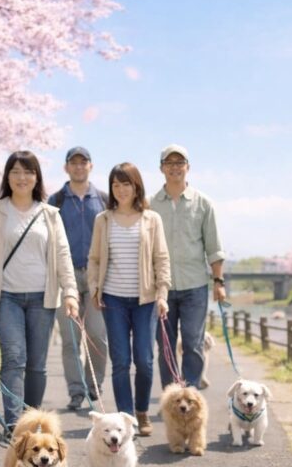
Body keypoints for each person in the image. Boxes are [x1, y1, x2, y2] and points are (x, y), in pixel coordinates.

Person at [0, 151, 79, 431]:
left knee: (36, 364)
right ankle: (14, 425)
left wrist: (70, 292)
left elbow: (63, 254)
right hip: (6, 296)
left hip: (43, 297)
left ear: (37, 177)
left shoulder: (49, 214)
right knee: (14, 357)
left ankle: (32, 425)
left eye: (28, 172)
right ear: (7, 177)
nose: (22, 177)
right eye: (16, 171)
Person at [87, 163, 170, 436]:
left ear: (136, 187)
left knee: (144, 360)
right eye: (116, 185)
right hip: (113, 300)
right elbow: (94, 259)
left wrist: (162, 294)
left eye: (126, 184)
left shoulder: (151, 219)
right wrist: (95, 288)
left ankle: (142, 410)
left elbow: (161, 259)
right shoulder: (103, 220)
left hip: (145, 300)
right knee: (121, 361)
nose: (121, 190)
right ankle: (126, 418)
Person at [149, 144, 226, 389]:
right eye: (169, 163)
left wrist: (218, 282)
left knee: (193, 342)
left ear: (188, 167)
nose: (175, 167)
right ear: (161, 168)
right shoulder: (150, 204)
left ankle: (190, 392)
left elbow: (213, 247)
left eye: (179, 163)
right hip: (161, 288)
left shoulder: (203, 203)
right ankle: (171, 393)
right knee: (166, 345)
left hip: (195, 286)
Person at [48, 146, 109, 411]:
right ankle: (76, 391)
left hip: (97, 277)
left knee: (97, 335)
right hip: (66, 276)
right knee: (71, 339)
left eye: (83, 162)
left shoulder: (104, 199)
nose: (78, 166)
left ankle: (94, 386)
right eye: (73, 162)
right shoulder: (56, 200)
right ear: (66, 167)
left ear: (90, 166)